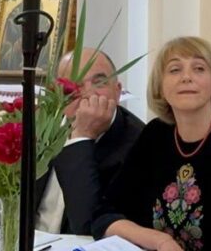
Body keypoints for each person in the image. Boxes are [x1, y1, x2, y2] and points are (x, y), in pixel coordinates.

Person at [93, 36, 211, 251]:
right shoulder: (154, 136)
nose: (186, 77)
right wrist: (160, 241)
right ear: (160, 88)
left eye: (199, 69)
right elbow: (105, 215)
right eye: (175, 70)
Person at [35, 48, 144, 235]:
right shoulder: (41, 128)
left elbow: (89, 224)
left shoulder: (139, 143)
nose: (87, 93)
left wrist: (82, 136)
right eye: (74, 84)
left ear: (117, 91)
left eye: (99, 82)